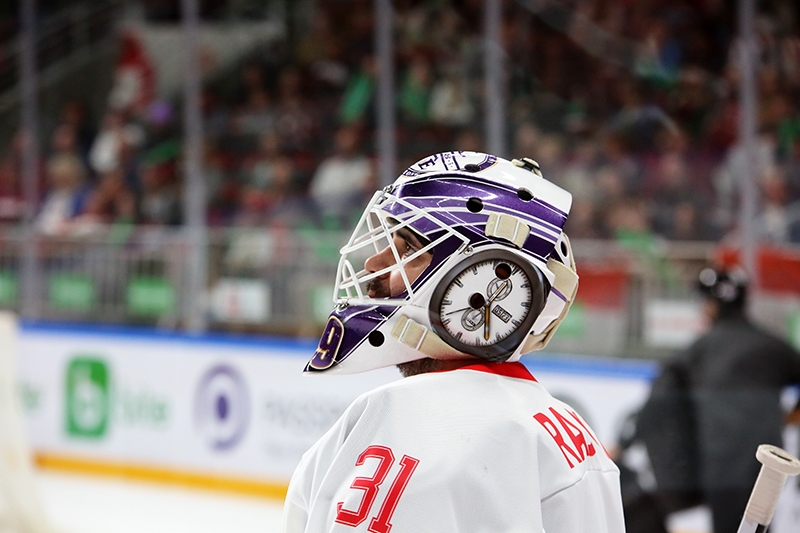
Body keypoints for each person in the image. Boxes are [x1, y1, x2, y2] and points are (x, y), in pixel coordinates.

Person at [281, 151, 625, 533]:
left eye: (407, 247)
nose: (374, 265)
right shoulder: (577, 442)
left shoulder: (373, 422)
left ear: (485, 279)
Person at [631, 266, 800, 533]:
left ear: (709, 307)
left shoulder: (696, 353)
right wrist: (792, 416)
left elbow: (659, 403)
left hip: (721, 470)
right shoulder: (774, 346)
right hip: (768, 470)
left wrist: (625, 441)